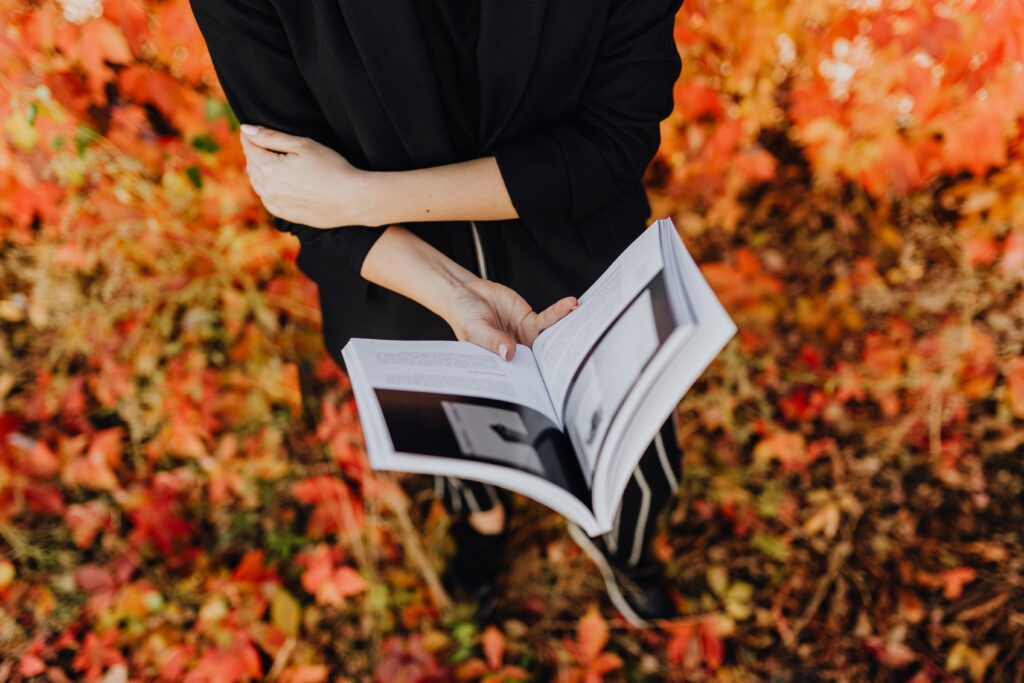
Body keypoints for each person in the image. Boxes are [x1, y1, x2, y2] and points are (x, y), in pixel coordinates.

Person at [189, 0, 685, 627]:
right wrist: (453, 293)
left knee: (638, 466)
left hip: (581, 264)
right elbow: (295, 191)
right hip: (397, 285)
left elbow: (615, 142)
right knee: (462, 452)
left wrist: (358, 196)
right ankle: (484, 519)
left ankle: (628, 553)